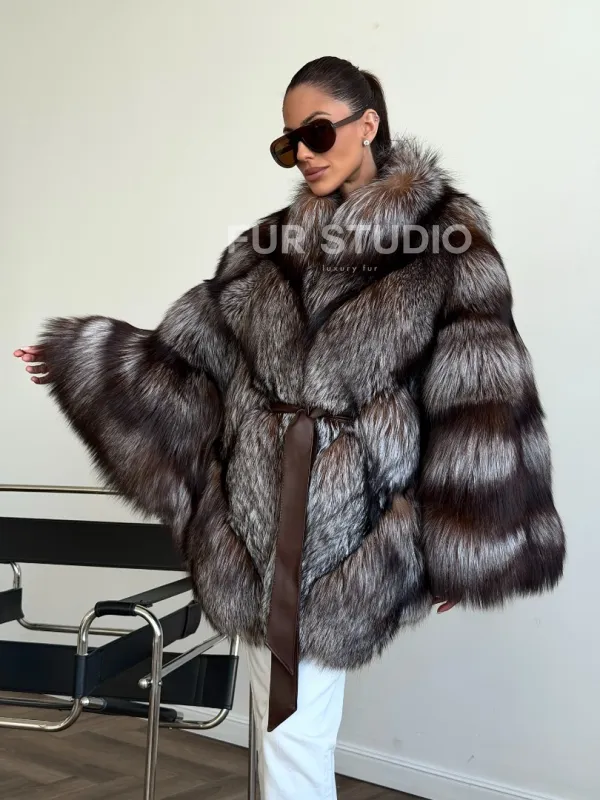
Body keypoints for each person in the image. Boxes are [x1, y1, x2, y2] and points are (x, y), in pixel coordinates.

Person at [13, 56, 566, 800]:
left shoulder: (447, 239)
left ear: (367, 125)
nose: (303, 153)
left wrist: (467, 539)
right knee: (281, 725)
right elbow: (188, 357)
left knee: (290, 729)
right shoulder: (266, 246)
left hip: (358, 528)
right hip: (258, 519)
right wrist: (85, 358)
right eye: (288, 143)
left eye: (317, 132)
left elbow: (484, 395)